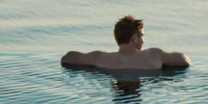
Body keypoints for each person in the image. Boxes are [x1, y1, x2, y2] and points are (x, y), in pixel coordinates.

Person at [60, 15, 191, 70]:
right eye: (142, 36)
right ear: (134, 38)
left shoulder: (100, 58)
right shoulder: (154, 55)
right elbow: (185, 61)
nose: (143, 41)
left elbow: (67, 58)